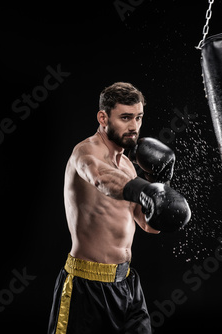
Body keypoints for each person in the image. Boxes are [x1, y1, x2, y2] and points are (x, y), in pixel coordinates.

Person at [48, 82, 191, 334]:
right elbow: (102, 179)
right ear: (103, 117)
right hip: (85, 285)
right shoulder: (84, 152)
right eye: (125, 117)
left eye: (138, 117)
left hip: (126, 284)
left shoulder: (127, 166)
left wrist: (160, 183)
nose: (134, 126)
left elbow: (149, 225)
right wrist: (146, 189)